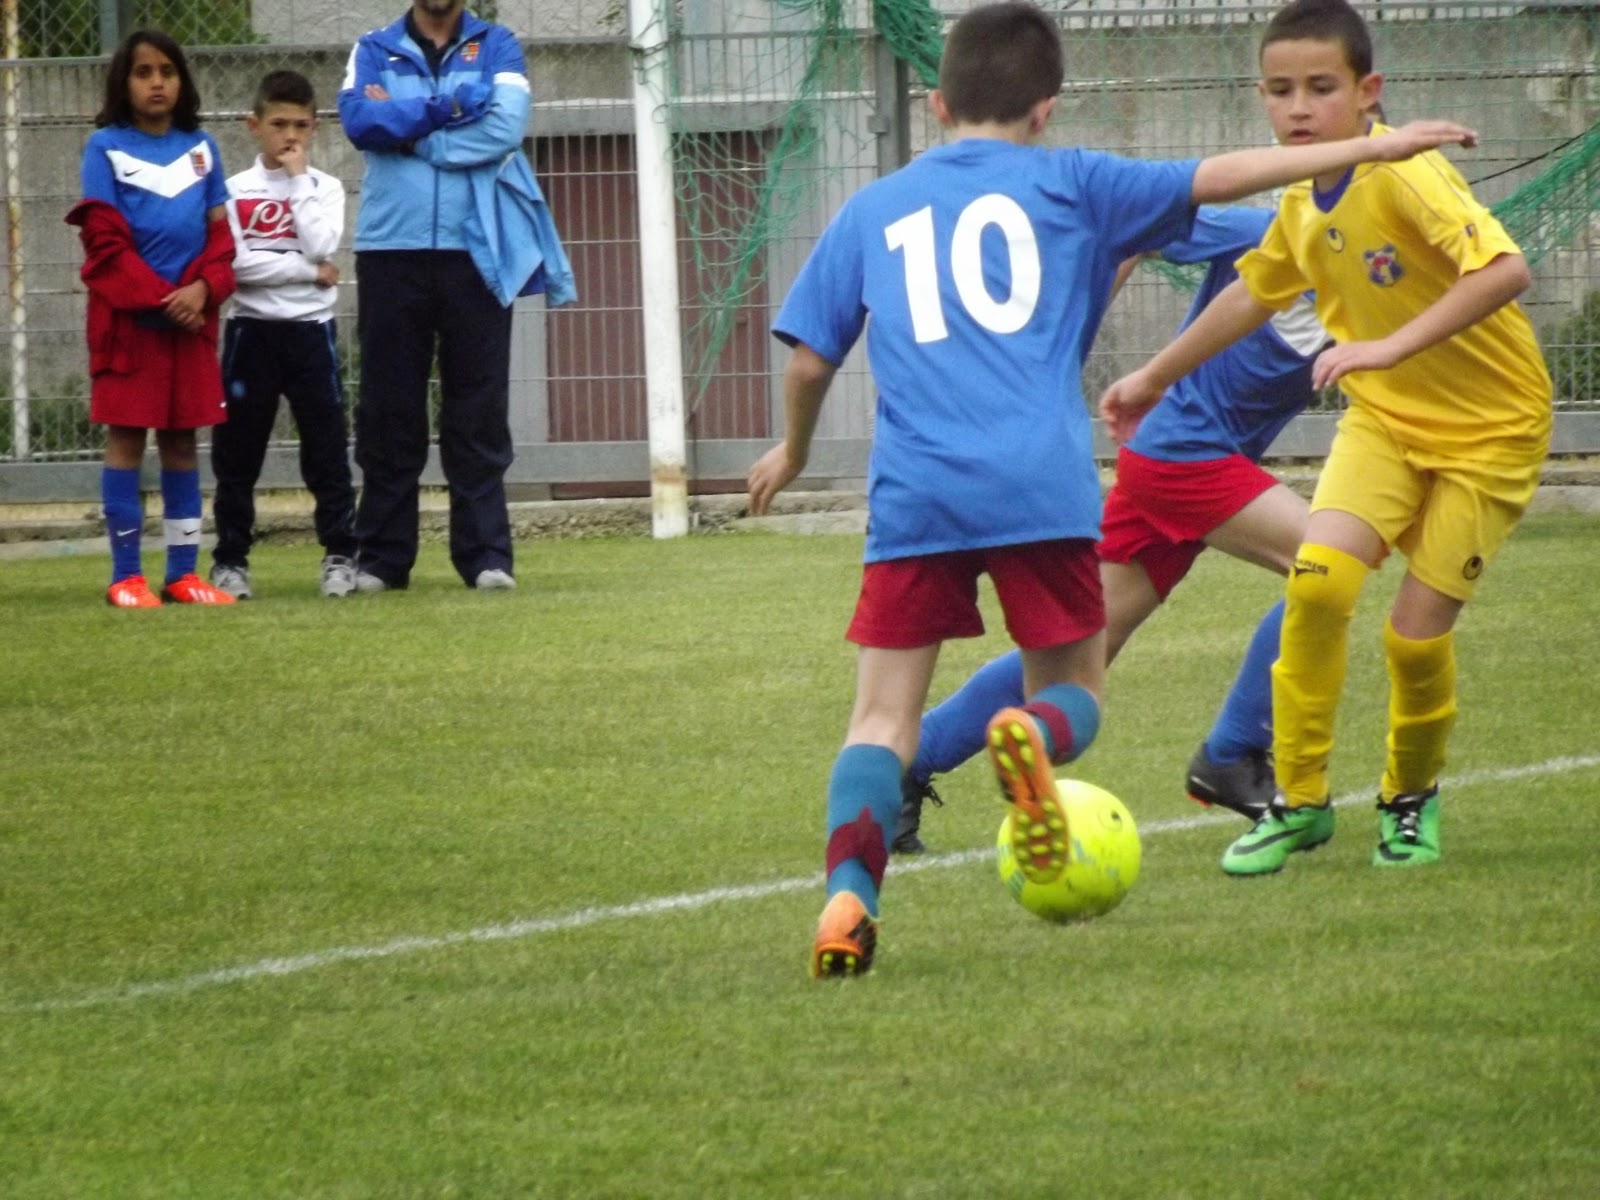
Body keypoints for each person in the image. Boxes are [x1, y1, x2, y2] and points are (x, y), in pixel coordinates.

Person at [746, 0, 1477, 977]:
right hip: (1040, 490)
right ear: (1048, 109)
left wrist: (791, 452)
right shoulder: (1077, 181)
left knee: (879, 720)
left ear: (933, 104)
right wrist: (1375, 151)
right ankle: (1033, 733)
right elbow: (1220, 176)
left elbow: (805, 365)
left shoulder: (873, 208)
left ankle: (847, 899)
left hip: (915, 495)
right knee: (1078, 692)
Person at [1100, 0, 1551, 876]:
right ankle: (1298, 804)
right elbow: (1255, 291)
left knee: (1413, 641)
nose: (1299, 108)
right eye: (1280, 90)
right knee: (1316, 586)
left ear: (1367, 92)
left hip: (1490, 434)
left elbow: (1506, 270)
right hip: (1385, 421)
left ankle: (1409, 802)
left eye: (1320, 87)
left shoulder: (1407, 176)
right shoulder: (1304, 198)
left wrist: (1383, 344)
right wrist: (1153, 377)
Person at [894, 204, 1329, 854]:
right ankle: (1232, 754)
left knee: (1081, 653)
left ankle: (907, 762)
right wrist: (1071, 342)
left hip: (1184, 456)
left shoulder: (1373, 269)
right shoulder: (1265, 230)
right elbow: (1131, 231)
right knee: (1328, 564)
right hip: (1183, 451)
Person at [338, 0, 575, 593]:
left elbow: (504, 128)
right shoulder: (372, 47)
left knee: (479, 405)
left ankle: (486, 556)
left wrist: (421, 140)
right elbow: (362, 124)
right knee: (389, 408)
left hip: (479, 249)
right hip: (392, 248)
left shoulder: (499, 46)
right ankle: (382, 559)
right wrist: (445, 109)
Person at [67, 28, 237, 607]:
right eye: (144, 72)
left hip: (190, 322)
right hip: (132, 324)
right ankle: (125, 576)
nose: (157, 81)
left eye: (167, 70)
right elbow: (104, 243)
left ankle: (183, 573)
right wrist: (166, 298)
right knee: (125, 440)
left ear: (182, 80)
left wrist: (203, 288)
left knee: (183, 443)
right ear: (125, 82)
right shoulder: (104, 147)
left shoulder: (203, 147)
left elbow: (221, 240)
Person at [210, 70, 356, 601]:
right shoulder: (232, 191)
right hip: (252, 331)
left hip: (310, 331)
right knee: (237, 451)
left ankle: (340, 553)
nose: (289, 136)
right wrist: (304, 271)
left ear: (314, 128)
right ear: (255, 125)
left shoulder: (325, 187)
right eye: (278, 125)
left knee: (326, 448)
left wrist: (297, 183)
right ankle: (230, 560)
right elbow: (238, 267)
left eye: (300, 126)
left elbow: (321, 245)